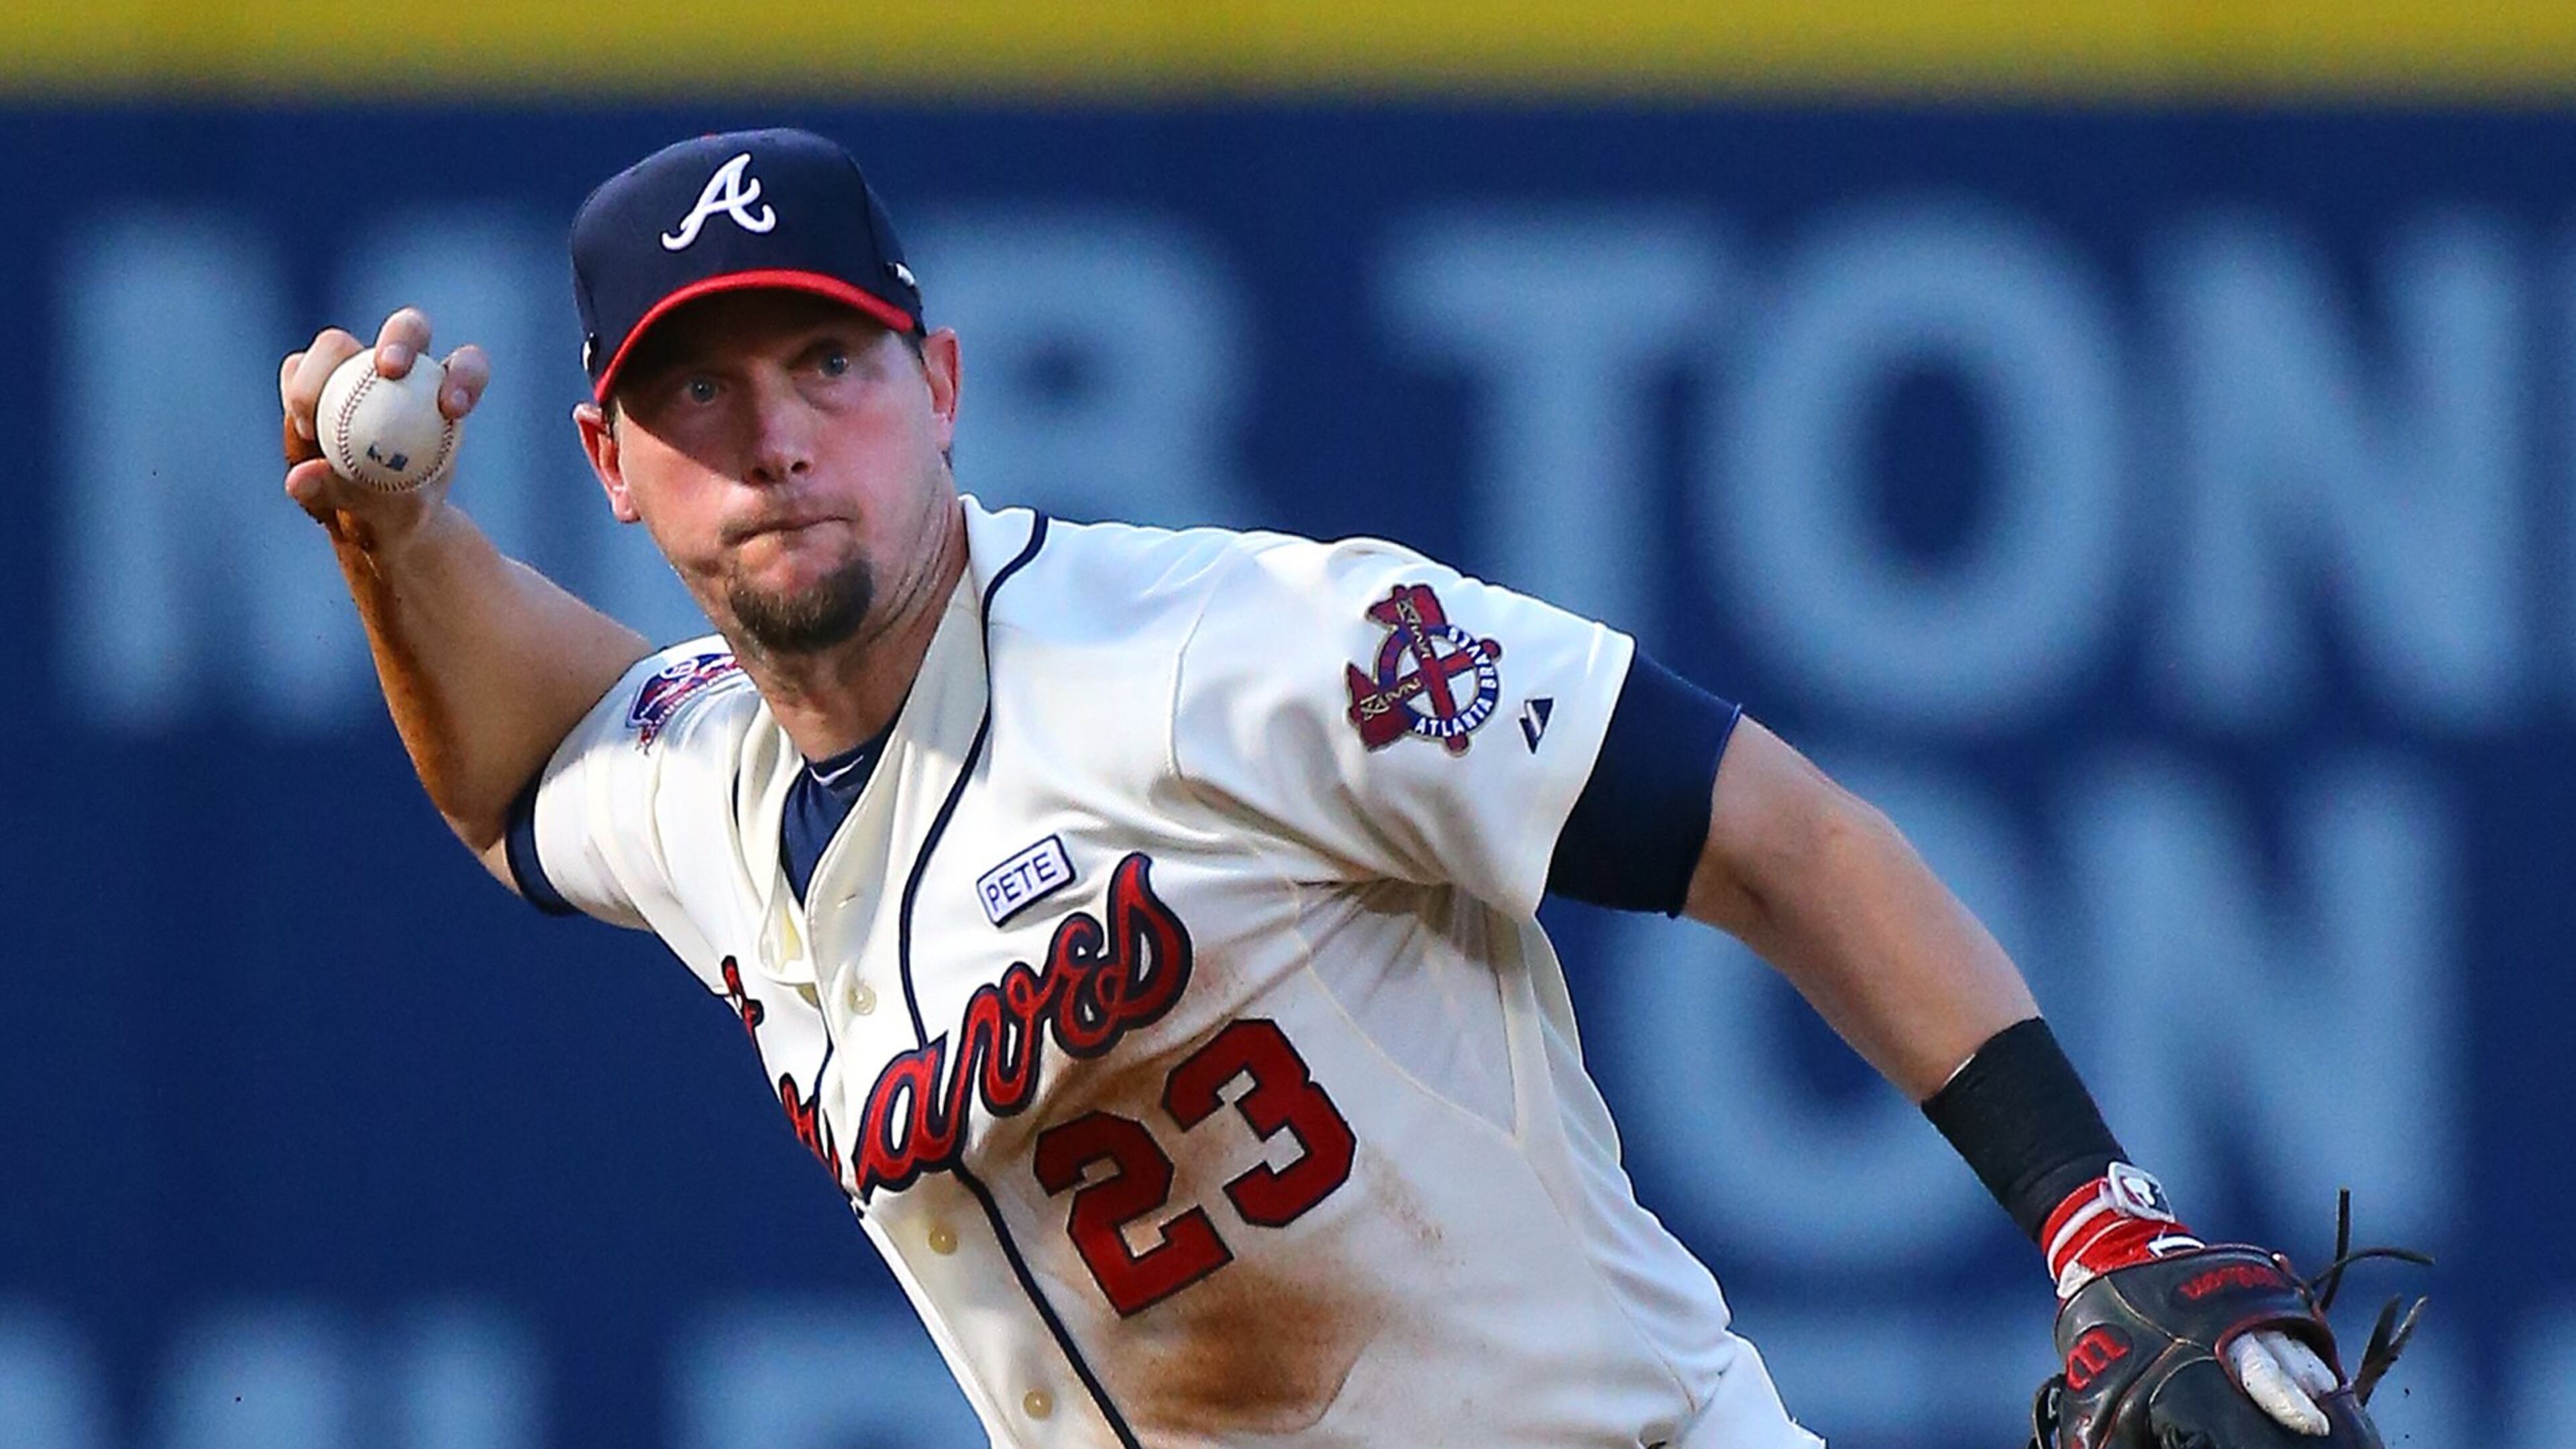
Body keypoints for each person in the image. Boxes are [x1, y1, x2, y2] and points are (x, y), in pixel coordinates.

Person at [277, 128, 2395, 1448]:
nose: (779, 436)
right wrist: (392, 542)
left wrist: (2090, 1214)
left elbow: (1783, 836)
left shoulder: (1227, 655)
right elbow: (526, 767)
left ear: (938, 386)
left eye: (829, 363)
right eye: (701, 393)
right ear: (613, 465)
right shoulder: (713, 796)